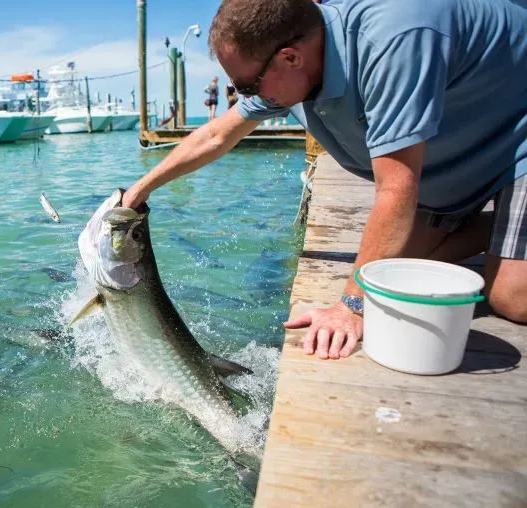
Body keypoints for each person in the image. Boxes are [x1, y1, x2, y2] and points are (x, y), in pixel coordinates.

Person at [122, 0, 527, 360]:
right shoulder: (291, 66)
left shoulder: (393, 41)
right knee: (398, 272)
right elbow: (216, 134)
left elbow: (397, 189)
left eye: (245, 84)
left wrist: (351, 305)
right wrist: (141, 190)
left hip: (516, 140)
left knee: (512, 297)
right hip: (465, 156)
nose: (243, 95)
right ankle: (494, 232)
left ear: (291, 58)